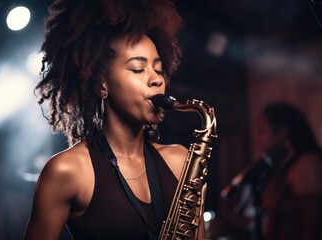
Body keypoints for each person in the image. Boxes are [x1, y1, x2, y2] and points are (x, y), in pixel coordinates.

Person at [24, 0, 206, 239]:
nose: (156, 80)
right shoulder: (67, 171)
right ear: (102, 84)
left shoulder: (182, 161)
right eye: (138, 69)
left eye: (158, 69)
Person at [256, 102, 322, 240]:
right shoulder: (282, 166)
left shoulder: (307, 163)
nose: (258, 139)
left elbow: (311, 227)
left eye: (263, 131)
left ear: (282, 131)